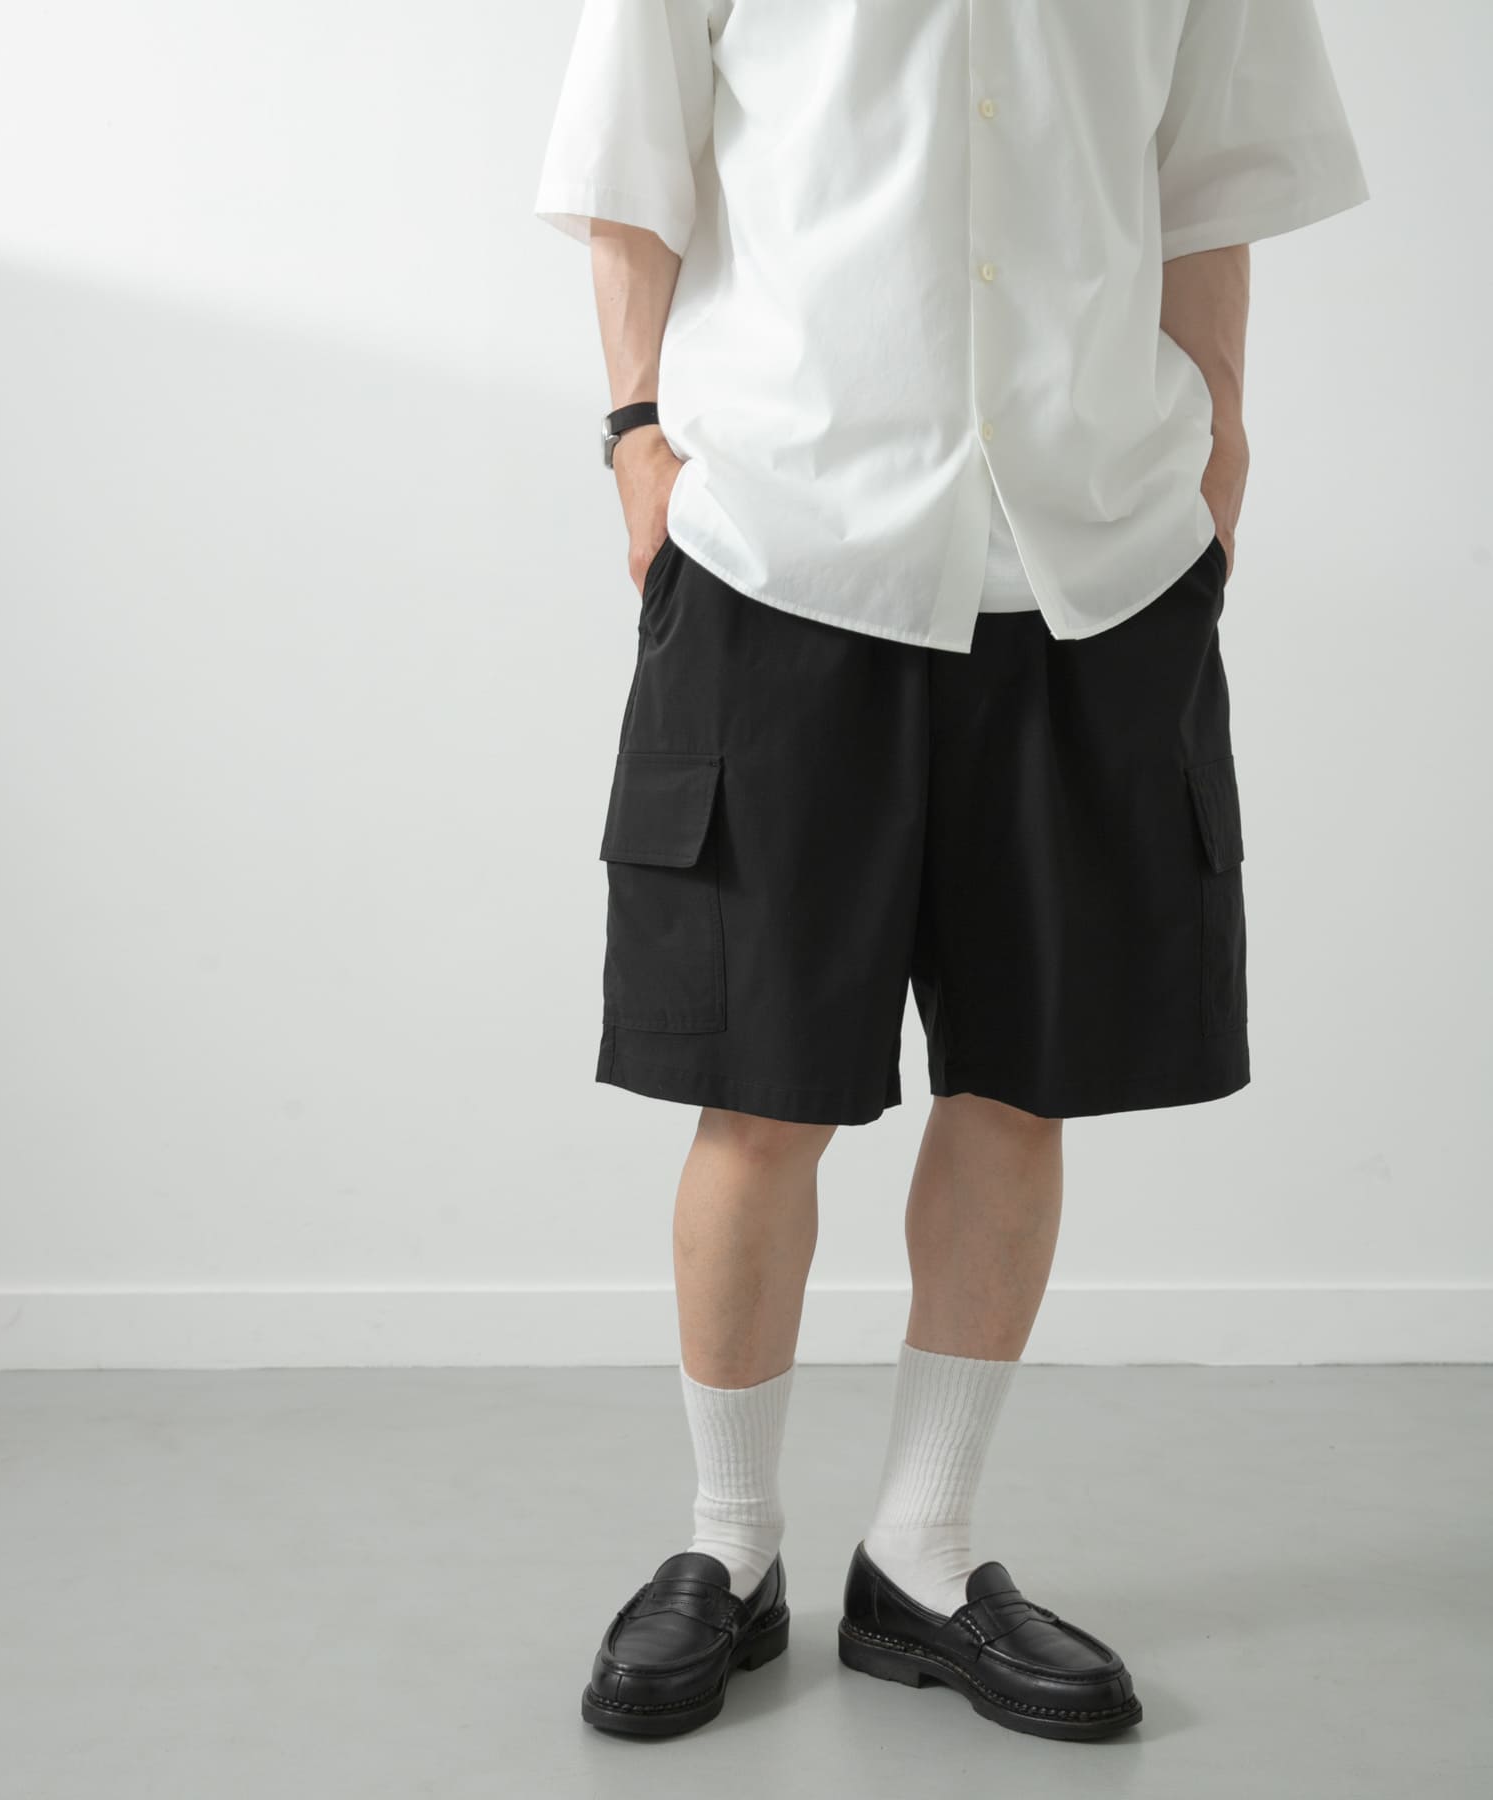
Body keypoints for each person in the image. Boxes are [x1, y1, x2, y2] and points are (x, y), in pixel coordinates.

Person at [533, 0, 1367, 1743]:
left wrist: (1218, 452)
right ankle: (728, 1544)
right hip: (783, 536)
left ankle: (923, 1553)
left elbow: (1214, 180)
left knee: (1023, 1075)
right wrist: (636, 443)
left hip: (1093, 549)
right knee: (758, 1085)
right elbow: (628, 168)